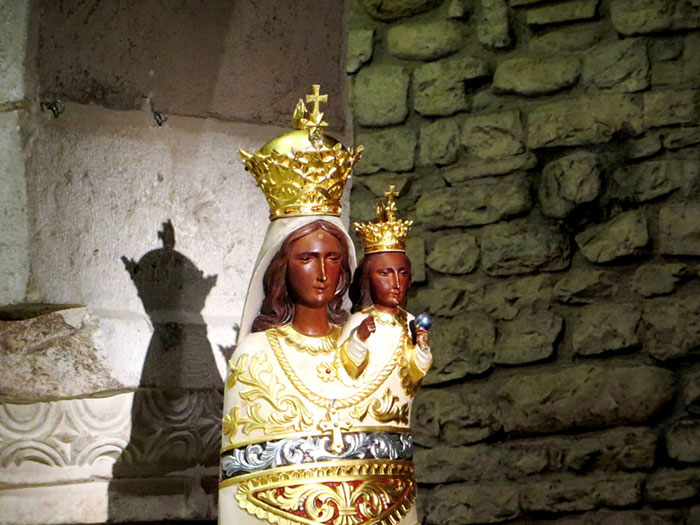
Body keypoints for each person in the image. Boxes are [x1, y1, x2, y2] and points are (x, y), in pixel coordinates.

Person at [219, 87, 419, 525]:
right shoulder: (256, 357)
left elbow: (396, 461)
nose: (323, 273)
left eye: (332, 258)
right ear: (280, 267)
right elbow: (244, 492)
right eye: (306, 259)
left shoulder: (372, 345)